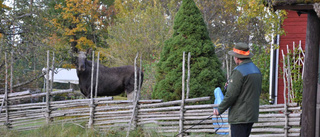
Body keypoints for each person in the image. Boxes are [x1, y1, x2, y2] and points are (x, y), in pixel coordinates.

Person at [213, 42, 262, 137]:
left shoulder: (238, 71)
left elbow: (231, 95)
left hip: (240, 116)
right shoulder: (256, 70)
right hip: (251, 115)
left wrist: (219, 109)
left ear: (237, 57)